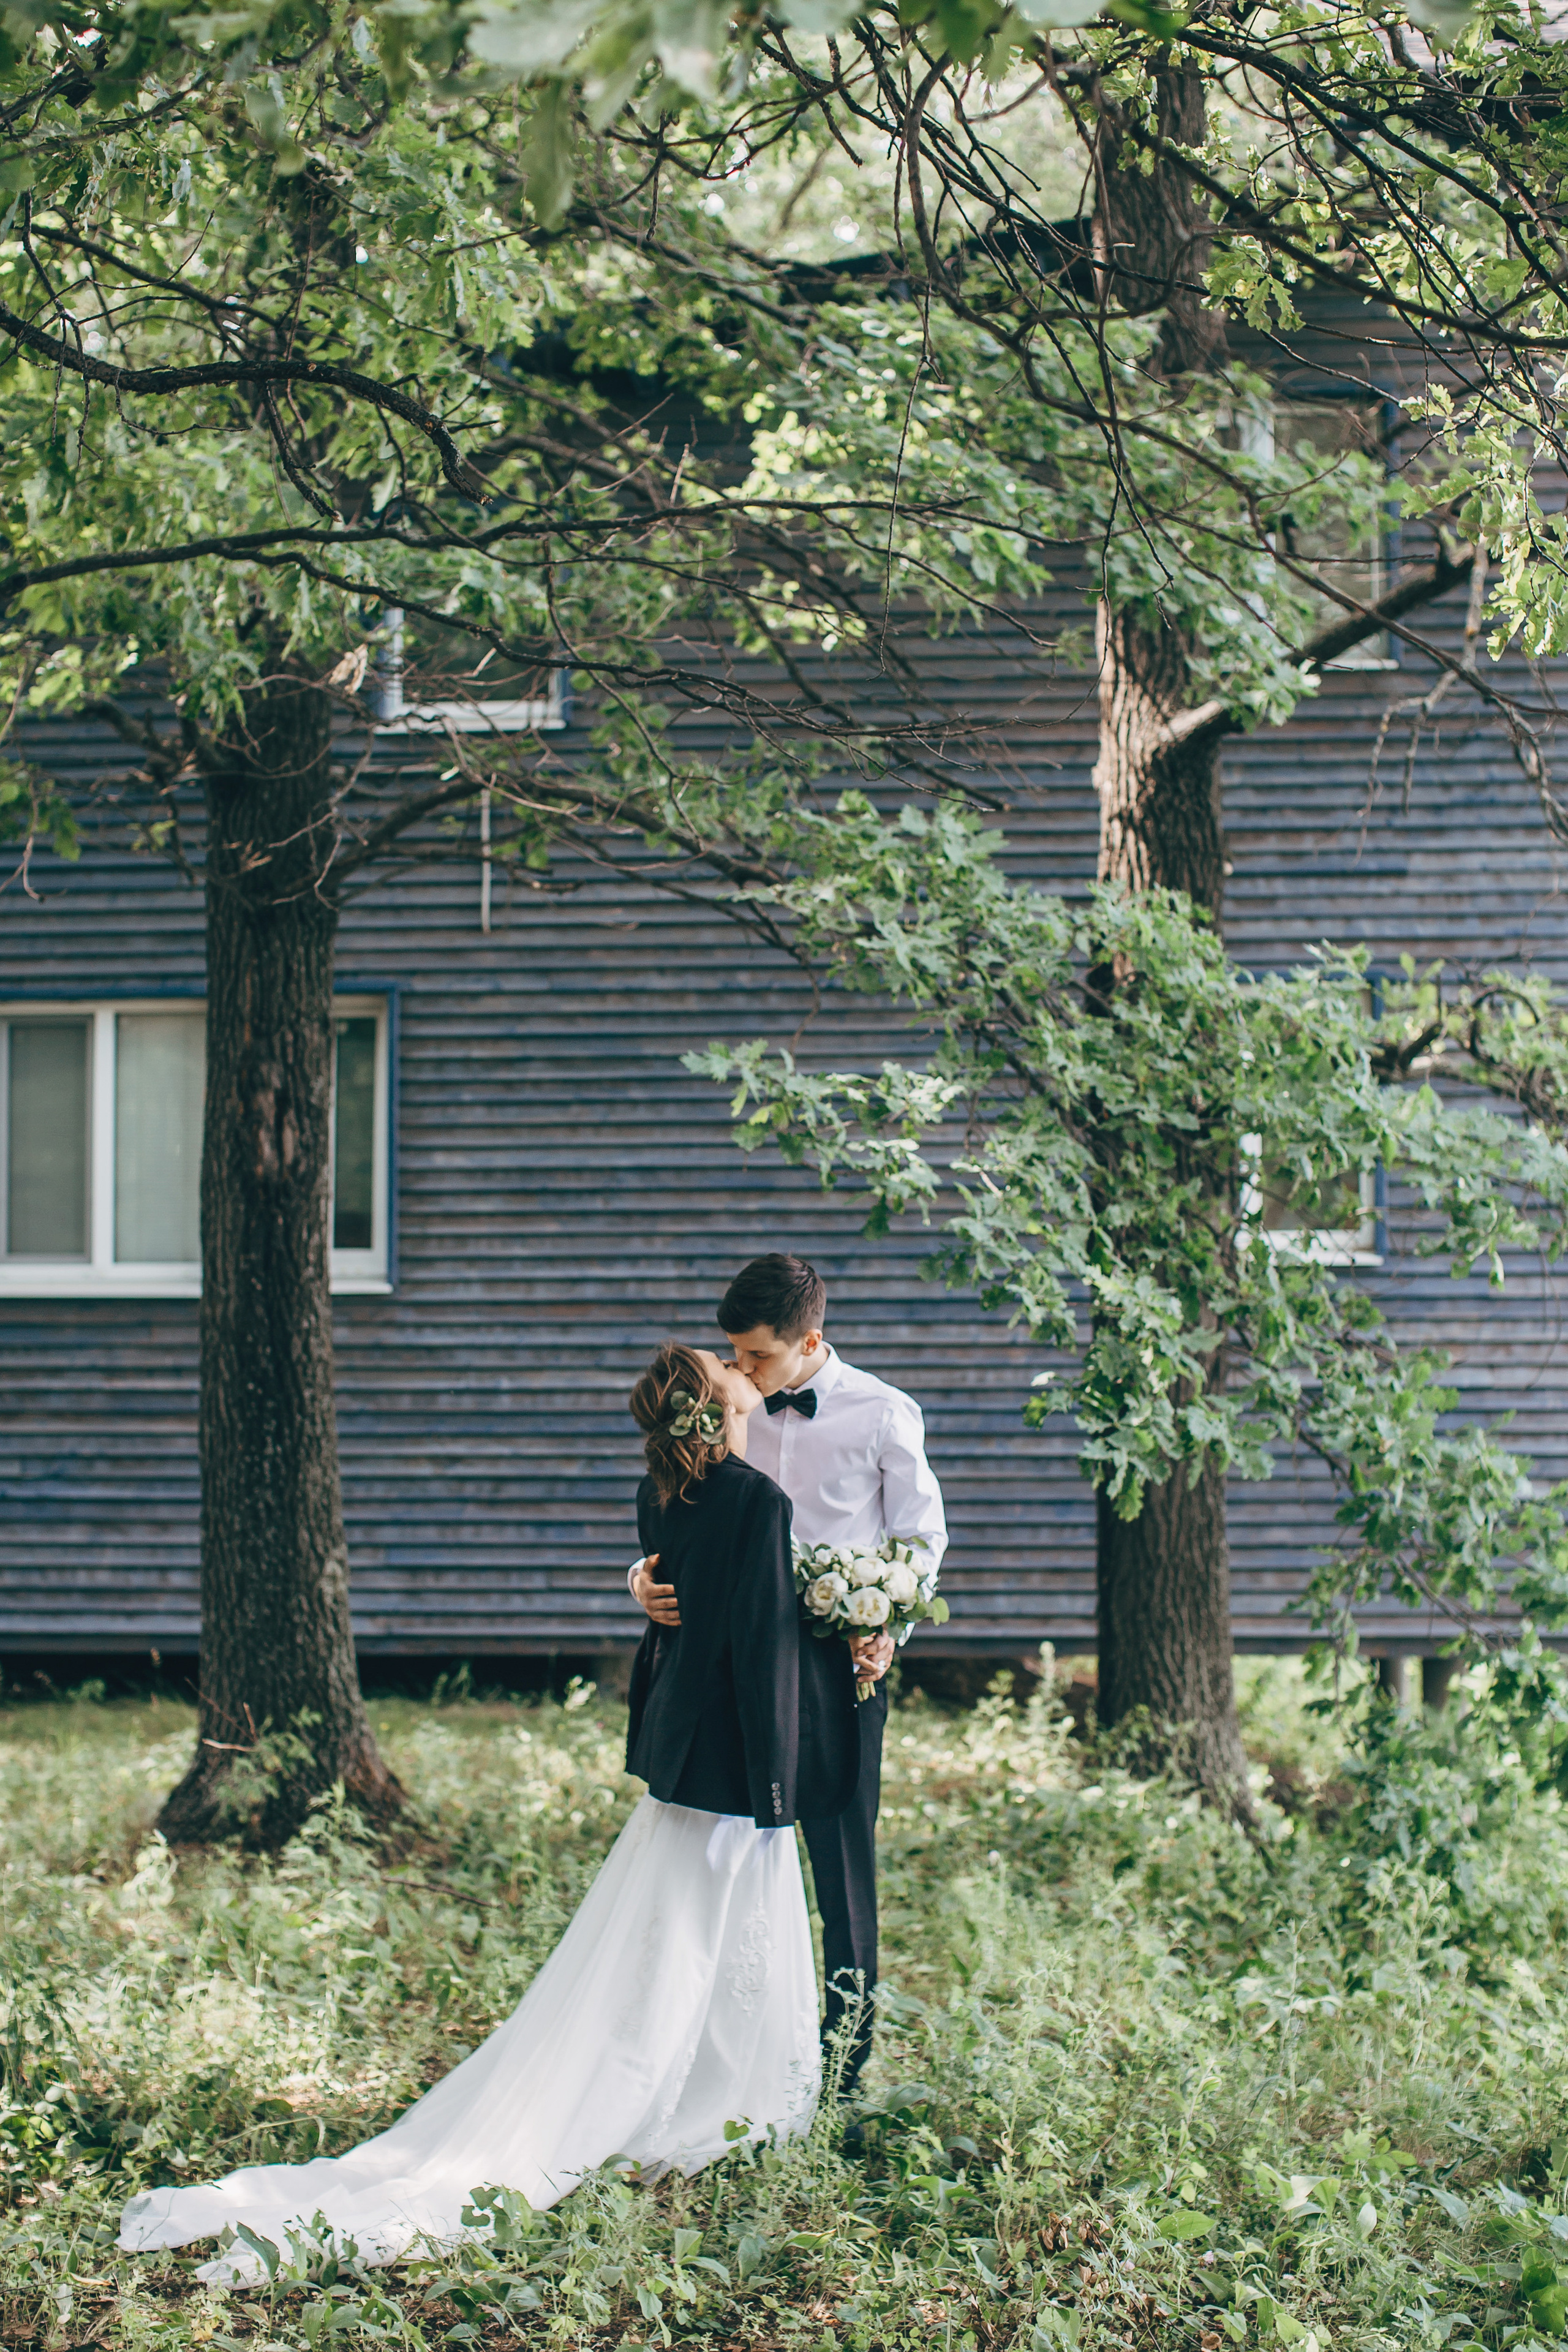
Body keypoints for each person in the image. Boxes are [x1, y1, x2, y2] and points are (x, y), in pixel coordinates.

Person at [119, 1346, 823, 2283]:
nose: (736, 1364)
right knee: (713, 1929)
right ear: (722, 1402)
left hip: (679, 1751)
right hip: (736, 1761)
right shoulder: (760, 1502)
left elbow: (683, 1595)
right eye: (722, 1363)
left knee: (671, 1934)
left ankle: (690, 2084)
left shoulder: (662, 1493)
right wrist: (783, 1781)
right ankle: (709, 2096)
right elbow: (764, 1647)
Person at [632, 1254, 946, 2094]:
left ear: (811, 1340)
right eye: (733, 1352)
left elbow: (921, 1541)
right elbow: (679, 1505)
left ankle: (844, 2067)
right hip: (733, 1674)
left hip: (838, 1673)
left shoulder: (885, 1414)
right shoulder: (722, 1405)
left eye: (759, 1356)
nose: (741, 1369)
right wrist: (642, 1575)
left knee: (842, 1869)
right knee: (727, 1863)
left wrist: (890, 1625)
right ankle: (722, 2058)